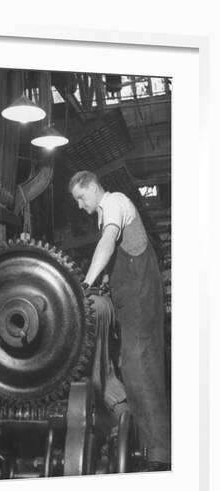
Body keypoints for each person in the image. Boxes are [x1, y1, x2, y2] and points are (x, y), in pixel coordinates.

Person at [68, 170, 171, 471]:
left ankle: (160, 454)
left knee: (140, 366)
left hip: (140, 298)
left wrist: (85, 284)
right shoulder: (105, 212)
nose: (78, 205)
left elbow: (108, 243)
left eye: (80, 197)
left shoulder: (114, 203)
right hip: (132, 302)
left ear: (93, 187)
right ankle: (147, 443)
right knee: (132, 365)